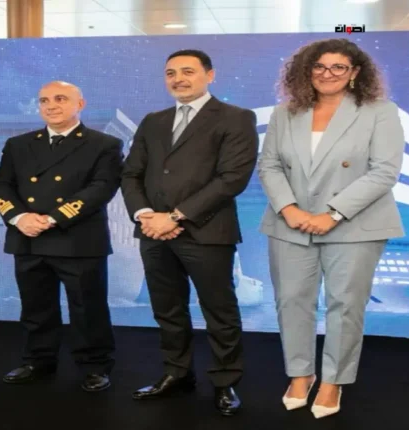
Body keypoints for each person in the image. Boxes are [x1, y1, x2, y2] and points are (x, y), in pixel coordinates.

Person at [257, 38, 405, 419]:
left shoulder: (380, 112)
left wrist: (333, 213)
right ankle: (300, 374)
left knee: (345, 304)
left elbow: (385, 171)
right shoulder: (285, 113)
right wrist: (289, 208)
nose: (328, 73)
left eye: (338, 67)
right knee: (291, 300)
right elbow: (269, 165)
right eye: (319, 66)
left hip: (355, 223)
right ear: (306, 70)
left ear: (354, 72)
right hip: (291, 222)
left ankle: (332, 381)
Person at [121, 50, 258, 415]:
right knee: (167, 309)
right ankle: (177, 373)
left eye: (187, 71)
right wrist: (146, 215)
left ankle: (225, 382)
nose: (178, 79)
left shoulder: (236, 117)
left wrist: (176, 217)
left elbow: (232, 178)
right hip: (153, 232)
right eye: (171, 73)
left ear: (209, 75)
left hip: (207, 232)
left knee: (219, 311)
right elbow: (131, 173)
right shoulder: (153, 121)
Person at [0, 81, 123, 392]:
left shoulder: (104, 144)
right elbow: (2, 184)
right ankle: (37, 360)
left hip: (78, 238)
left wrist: (54, 218)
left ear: (80, 104)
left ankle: (94, 365)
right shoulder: (18, 144)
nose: (51, 106)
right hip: (28, 235)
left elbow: (101, 188)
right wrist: (19, 217)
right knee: (35, 307)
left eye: (61, 99)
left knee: (87, 309)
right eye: (44, 100)